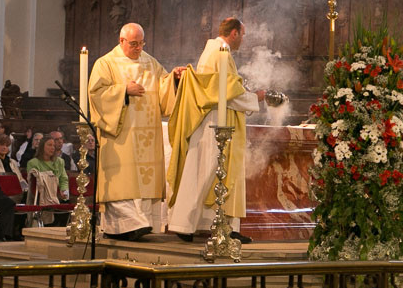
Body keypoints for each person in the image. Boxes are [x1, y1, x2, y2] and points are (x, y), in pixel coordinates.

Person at [168, 17, 264, 244]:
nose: (243, 39)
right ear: (234, 33)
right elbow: (227, 93)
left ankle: (221, 224)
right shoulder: (220, 52)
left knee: (219, 173)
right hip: (215, 122)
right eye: (243, 34)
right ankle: (185, 224)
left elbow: (226, 87)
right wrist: (255, 97)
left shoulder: (214, 51)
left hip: (218, 119)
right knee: (206, 172)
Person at [88, 22, 182, 241]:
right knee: (122, 183)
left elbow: (164, 90)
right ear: (121, 41)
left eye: (141, 43)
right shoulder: (106, 64)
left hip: (147, 137)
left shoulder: (151, 63)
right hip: (121, 137)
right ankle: (123, 227)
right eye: (133, 44)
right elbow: (96, 94)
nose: (138, 48)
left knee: (142, 182)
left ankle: (142, 224)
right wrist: (123, 91)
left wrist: (174, 80)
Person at [22, 137, 70, 225]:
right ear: (42, 147)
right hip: (39, 195)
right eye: (49, 145)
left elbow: (63, 178)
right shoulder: (33, 163)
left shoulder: (60, 161)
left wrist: (63, 190)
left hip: (57, 194)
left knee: (68, 203)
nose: (52, 148)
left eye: (54, 146)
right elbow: (33, 183)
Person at [0, 133, 27, 201]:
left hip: (16, 193)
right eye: (2, 145)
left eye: (7, 145)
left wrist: (26, 189)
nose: (4, 147)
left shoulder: (13, 162)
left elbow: (20, 179)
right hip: (0, 194)